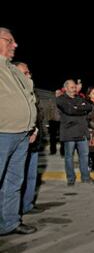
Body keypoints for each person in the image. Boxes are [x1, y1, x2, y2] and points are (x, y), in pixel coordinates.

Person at [0, 27, 37, 235]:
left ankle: (9, 222)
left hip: (23, 134)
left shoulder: (13, 68)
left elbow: (29, 95)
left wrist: (33, 125)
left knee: (14, 180)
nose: (15, 45)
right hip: (2, 133)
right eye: (9, 41)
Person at [14, 62, 44, 215]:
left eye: (28, 72)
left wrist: (36, 130)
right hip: (20, 140)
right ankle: (13, 210)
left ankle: (27, 205)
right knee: (17, 177)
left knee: (31, 176)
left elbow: (38, 115)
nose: (29, 75)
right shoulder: (12, 92)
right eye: (25, 73)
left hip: (34, 140)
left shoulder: (33, 92)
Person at [57, 79, 94, 185]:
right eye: (71, 87)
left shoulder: (80, 98)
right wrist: (81, 108)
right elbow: (69, 110)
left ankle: (86, 177)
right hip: (69, 132)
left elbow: (89, 107)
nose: (74, 89)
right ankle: (71, 179)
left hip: (82, 131)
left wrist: (77, 108)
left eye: (75, 87)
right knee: (69, 157)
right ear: (65, 88)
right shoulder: (61, 99)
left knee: (84, 155)